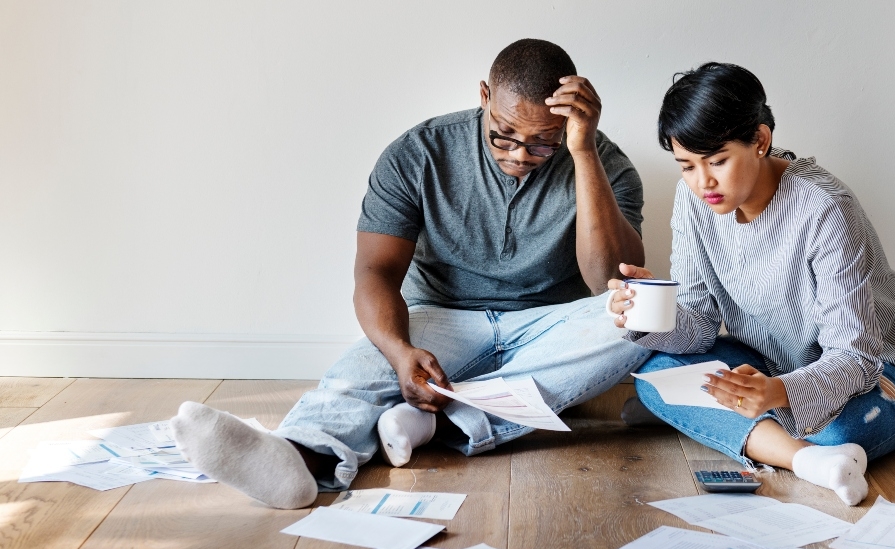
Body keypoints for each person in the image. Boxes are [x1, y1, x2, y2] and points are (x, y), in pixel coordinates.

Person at [171, 39, 651, 509]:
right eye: (503, 134)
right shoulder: (419, 152)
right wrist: (400, 351)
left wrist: (581, 153)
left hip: (549, 327)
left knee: (638, 320)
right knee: (364, 369)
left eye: (543, 142)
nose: (520, 155)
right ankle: (297, 456)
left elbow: (607, 281)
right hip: (441, 317)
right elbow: (375, 273)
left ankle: (439, 424)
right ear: (484, 96)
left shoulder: (605, 164)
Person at [610, 62, 895, 506]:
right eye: (687, 166)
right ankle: (809, 460)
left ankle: (733, 427)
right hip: (774, 364)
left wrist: (777, 392)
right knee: (656, 373)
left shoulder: (825, 208)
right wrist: (643, 313)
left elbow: (855, 357)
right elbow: (699, 327)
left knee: (839, 429)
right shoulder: (694, 200)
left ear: (760, 140)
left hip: (878, 372)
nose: (703, 183)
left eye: (717, 161)